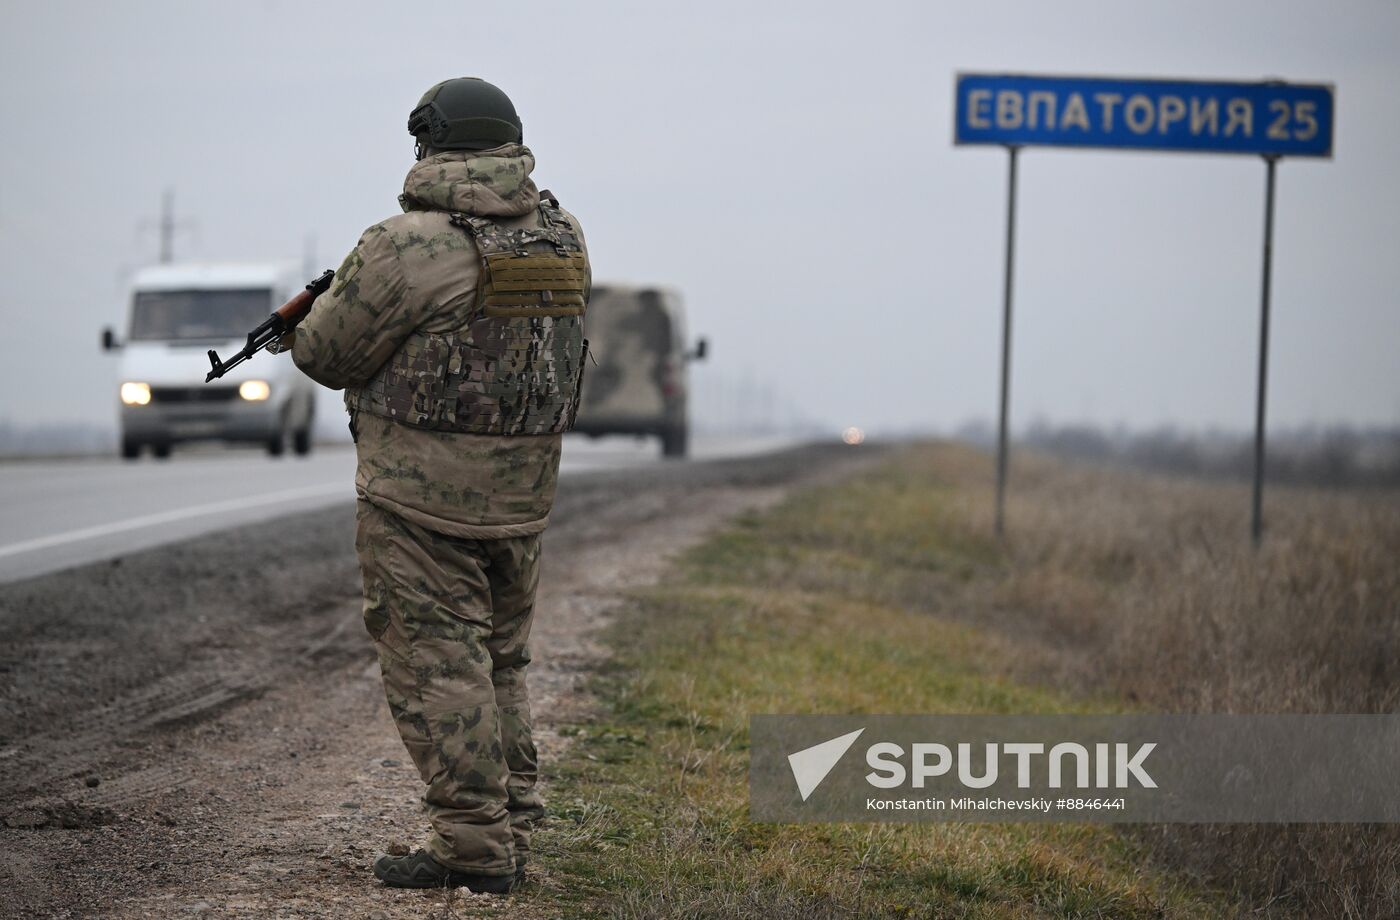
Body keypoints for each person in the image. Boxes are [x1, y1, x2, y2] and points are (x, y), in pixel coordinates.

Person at [286, 77, 590, 893]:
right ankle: (512, 823)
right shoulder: (562, 236)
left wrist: (304, 327)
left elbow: (326, 355)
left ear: (429, 143)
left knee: (437, 664)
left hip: (420, 499)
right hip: (525, 491)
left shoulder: (405, 245)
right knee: (501, 661)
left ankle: (473, 848)